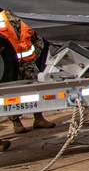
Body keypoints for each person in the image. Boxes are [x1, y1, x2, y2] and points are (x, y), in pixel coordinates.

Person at [1, 8, 57, 136]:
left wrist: (32, 58)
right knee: (11, 95)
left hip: (28, 64)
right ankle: (16, 122)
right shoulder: (0, 19)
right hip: (10, 67)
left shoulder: (25, 18)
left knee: (36, 90)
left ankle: (39, 118)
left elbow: (38, 40)